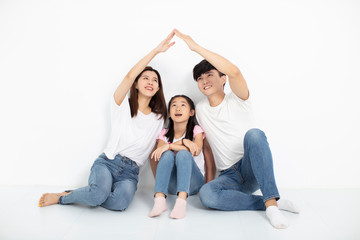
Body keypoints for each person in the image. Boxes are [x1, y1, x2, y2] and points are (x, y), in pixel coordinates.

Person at [174, 29, 299, 229]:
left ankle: (272, 206)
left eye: (209, 75)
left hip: (250, 168)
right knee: (207, 195)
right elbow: (204, 146)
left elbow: (235, 72)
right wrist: (208, 180)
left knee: (254, 135)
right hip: (228, 177)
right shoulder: (199, 110)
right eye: (199, 78)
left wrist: (195, 47)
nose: (204, 80)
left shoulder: (239, 99)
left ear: (223, 79)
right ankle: (270, 202)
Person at [38, 31, 176, 210]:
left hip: (131, 173)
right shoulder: (121, 105)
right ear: (135, 83)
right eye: (145, 78)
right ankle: (63, 197)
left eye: (155, 80)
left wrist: (160, 188)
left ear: (158, 87)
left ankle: (92, 192)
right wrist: (156, 51)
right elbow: (128, 76)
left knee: (119, 204)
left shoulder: (159, 118)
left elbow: (156, 151)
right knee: (97, 195)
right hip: (108, 162)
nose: (150, 82)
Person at [149, 95, 207, 219]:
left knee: (183, 154)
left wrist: (170, 146)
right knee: (167, 154)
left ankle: (181, 202)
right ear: (169, 113)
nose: (178, 109)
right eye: (174, 105)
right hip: (170, 185)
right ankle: (159, 200)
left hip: (193, 182)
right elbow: (160, 152)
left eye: (183, 105)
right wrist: (183, 143)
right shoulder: (164, 133)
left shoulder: (196, 130)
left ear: (192, 112)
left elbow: (195, 150)